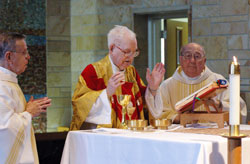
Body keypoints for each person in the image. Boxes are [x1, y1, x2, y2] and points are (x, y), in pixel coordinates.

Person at [70, 25, 165, 130]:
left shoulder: (131, 72)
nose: (131, 57)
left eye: (134, 52)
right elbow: (79, 107)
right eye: (126, 52)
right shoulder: (94, 72)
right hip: (105, 139)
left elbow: (144, 108)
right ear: (111, 48)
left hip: (131, 135)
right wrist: (107, 93)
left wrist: (153, 88)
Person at [146, 42, 247, 124]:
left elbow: (238, 107)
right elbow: (159, 113)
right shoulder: (167, 85)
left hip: (212, 135)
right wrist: (179, 118)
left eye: (197, 56)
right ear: (181, 60)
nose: (192, 60)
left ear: (204, 61)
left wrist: (220, 105)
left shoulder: (218, 82)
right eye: (188, 56)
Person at [0, 32, 51, 163]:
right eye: (23, 53)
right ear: (9, 56)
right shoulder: (2, 86)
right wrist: (28, 113)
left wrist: (29, 111)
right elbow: (4, 130)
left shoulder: (9, 82)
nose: (28, 57)